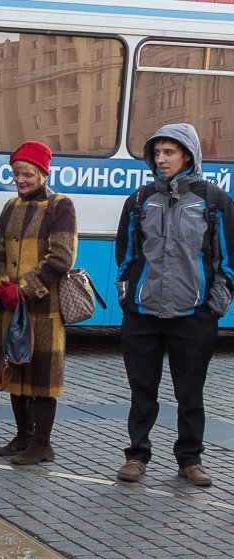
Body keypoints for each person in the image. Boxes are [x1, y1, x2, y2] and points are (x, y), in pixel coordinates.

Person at [114, 124, 234, 487]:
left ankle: (190, 459)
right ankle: (137, 455)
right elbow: (125, 255)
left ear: (188, 155)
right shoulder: (138, 200)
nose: (161, 159)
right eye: (157, 153)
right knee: (141, 390)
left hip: (194, 315)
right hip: (143, 314)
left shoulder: (214, 201)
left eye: (169, 152)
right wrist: (127, 298)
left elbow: (226, 261)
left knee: (190, 392)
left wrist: (212, 308)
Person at [0, 141, 77, 465]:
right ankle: (22, 436)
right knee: (15, 371)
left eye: (27, 174)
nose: (21, 180)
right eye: (17, 174)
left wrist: (22, 289)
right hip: (11, 305)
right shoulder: (10, 206)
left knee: (41, 378)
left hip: (42, 307)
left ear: (41, 173)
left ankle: (42, 444)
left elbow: (62, 257)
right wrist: (0, 285)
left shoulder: (60, 206)